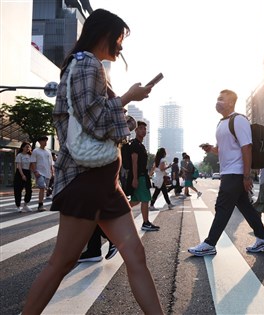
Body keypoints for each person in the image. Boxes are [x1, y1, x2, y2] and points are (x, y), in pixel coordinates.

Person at [22, 9, 163, 314]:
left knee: (135, 254)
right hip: (86, 181)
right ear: (104, 35)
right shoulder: (86, 63)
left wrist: (124, 110)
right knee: (62, 262)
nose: (121, 46)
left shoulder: (87, 65)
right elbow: (92, 115)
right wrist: (127, 97)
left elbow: (88, 116)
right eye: (119, 39)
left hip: (104, 183)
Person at [188, 89, 264, 256]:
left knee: (222, 207)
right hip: (228, 172)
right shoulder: (221, 123)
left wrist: (247, 175)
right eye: (217, 98)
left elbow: (246, 147)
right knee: (245, 207)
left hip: (236, 173)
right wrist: (210, 149)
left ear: (231, 102)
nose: (218, 101)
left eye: (221, 98)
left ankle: (209, 243)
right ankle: (263, 238)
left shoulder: (239, 120)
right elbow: (223, 150)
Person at [130, 121, 160, 231]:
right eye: (140, 128)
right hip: (139, 176)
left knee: (136, 200)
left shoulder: (140, 145)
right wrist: (134, 178)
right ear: (136, 130)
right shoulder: (135, 144)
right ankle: (145, 222)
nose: (143, 130)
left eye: (144, 129)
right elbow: (134, 162)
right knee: (145, 199)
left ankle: (118, 213)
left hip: (142, 176)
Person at [30, 136, 54, 212]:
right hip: (39, 173)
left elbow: (51, 163)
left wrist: (52, 172)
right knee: (42, 187)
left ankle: (41, 204)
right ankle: (40, 205)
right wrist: (35, 171)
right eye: (44, 141)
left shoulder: (48, 151)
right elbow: (33, 162)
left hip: (47, 173)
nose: (45, 142)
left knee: (44, 189)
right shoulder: (36, 151)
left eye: (46, 141)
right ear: (39, 142)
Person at [14, 141, 33, 212]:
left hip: (27, 172)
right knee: (18, 190)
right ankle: (18, 206)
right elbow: (19, 166)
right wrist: (22, 175)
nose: (28, 148)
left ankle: (25, 205)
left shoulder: (30, 156)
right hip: (20, 173)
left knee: (29, 190)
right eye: (26, 147)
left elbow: (32, 166)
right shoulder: (19, 155)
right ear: (22, 147)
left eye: (29, 147)